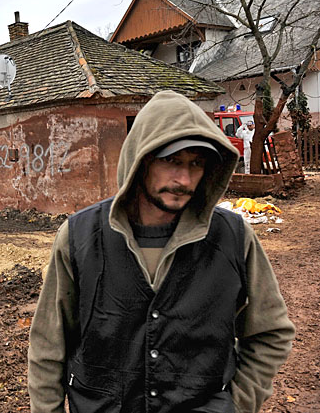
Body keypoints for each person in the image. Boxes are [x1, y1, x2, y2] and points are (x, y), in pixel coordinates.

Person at [28, 91, 294, 413]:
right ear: (141, 160)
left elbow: (271, 332)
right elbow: (47, 348)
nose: (183, 179)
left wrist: (237, 403)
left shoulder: (233, 237)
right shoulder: (80, 238)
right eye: (171, 161)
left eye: (196, 163)